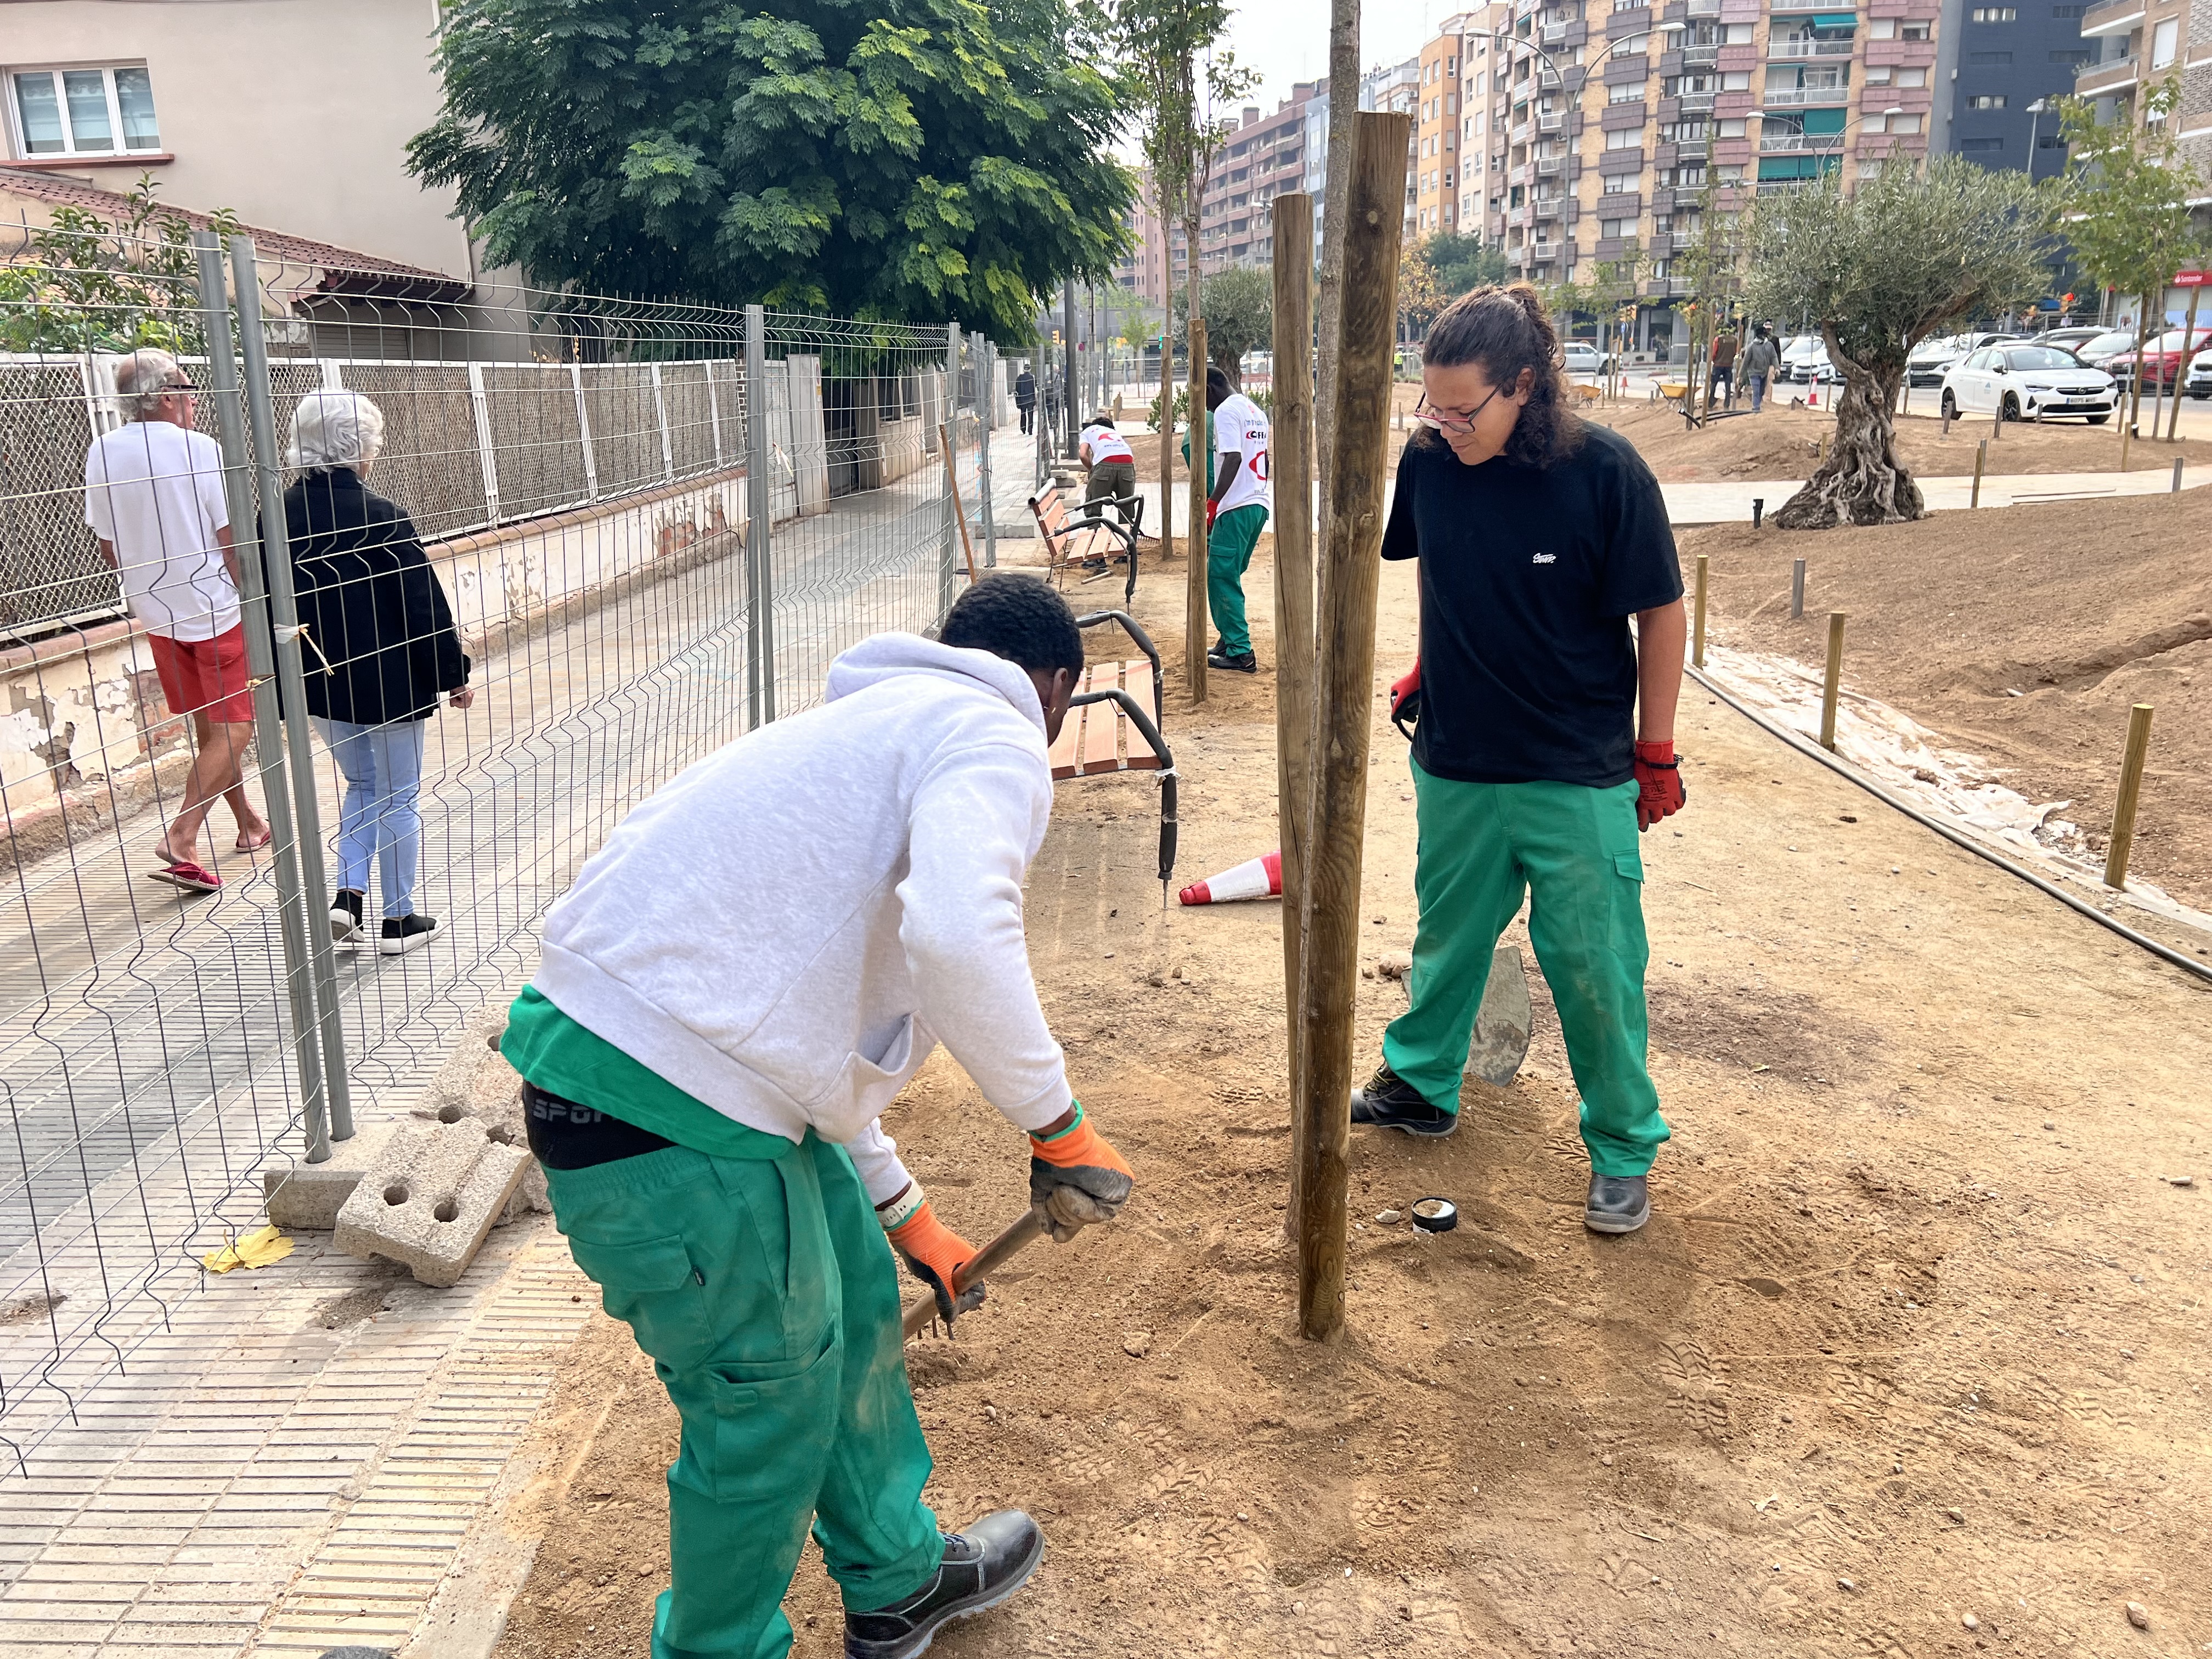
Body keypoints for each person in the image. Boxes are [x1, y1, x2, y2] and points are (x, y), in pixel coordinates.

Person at [499, 573, 1136, 1659]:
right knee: (767, 1410)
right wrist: (1056, 1123)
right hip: (664, 1112)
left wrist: (906, 1216)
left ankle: (896, 1574)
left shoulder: (870, 729)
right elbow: (959, 940)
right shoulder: (994, 733)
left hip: (689, 1084)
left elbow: (795, 1031)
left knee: (852, 1303)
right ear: (1058, 690)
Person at [1352, 284, 1688, 1236]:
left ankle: (1621, 1146)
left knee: (1592, 963)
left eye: (1465, 408)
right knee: (1445, 938)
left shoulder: (1605, 473)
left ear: (1525, 387)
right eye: (1433, 405)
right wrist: (1430, 659)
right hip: (1458, 759)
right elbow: (1441, 568)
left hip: (1574, 767)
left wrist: (1653, 749)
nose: (1445, 425)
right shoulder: (1431, 464)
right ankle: (1420, 1083)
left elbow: (1659, 612)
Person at [281, 389, 473, 955]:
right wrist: (451, 672)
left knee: (361, 784)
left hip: (318, 678)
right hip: (390, 684)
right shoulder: (383, 517)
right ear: (358, 447)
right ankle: (398, 919)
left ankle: (348, 896)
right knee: (398, 795)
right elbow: (422, 604)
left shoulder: (276, 516)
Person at [84, 347, 271, 894]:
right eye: (188, 390)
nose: (194, 400)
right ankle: (182, 836)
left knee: (211, 727)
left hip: (156, 609)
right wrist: (249, 595)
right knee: (237, 727)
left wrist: (147, 587)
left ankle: (249, 824)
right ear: (167, 397)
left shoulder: (102, 451)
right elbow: (227, 534)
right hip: (213, 606)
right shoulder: (200, 449)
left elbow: (108, 545)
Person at [1197, 365, 1272, 675]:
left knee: (1221, 577)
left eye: (1200, 396)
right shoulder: (1254, 409)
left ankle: (1241, 653)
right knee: (1226, 574)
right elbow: (1264, 458)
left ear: (1211, 389)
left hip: (1236, 506)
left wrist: (1213, 502)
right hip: (1257, 503)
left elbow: (1234, 457)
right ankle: (1229, 640)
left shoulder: (1226, 411)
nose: (1202, 405)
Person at [1077, 411, 1137, 526]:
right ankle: (1127, 539)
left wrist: (1092, 470)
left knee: (1092, 507)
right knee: (1126, 507)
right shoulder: (1114, 433)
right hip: (1127, 464)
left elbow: (1083, 455)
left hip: (1105, 465)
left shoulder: (1089, 431)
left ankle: (1094, 538)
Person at [1740, 326, 1779, 415]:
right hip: (1754, 373)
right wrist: (1741, 375)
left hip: (1764, 373)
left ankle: (1757, 404)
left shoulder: (1769, 346)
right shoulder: (1752, 347)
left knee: (1761, 391)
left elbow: (1774, 357)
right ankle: (1756, 408)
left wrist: (1777, 368)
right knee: (1756, 390)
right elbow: (1745, 362)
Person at [1708, 326, 1739, 410]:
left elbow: (1714, 352)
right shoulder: (1735, 340)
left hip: (1718, 365)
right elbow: (1736, 353)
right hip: (1729, 365)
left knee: (1713, 384)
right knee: (1728, 385)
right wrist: (1732, 359)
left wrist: (1713, 360)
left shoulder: (1718, 339)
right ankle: (1727, 405)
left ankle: (1710, 404)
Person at [1014, 364, 1037, 436]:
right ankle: (1030, 430)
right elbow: (1035, 388)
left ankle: (1023, 429)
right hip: (1030, 400)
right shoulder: (1032, 378)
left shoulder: (1019, 378)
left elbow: (1017, 390)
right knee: (1030, 415)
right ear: (1030, 369)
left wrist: (1018, 401)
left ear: (1024, 369)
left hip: (1022, 400)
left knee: (1023, 414)